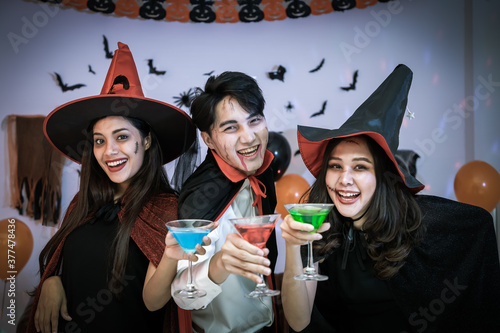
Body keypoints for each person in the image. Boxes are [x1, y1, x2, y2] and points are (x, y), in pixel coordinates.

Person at [280, 64, 500, 333]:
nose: (344, 179)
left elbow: (479, 224)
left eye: (360, 167)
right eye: (335, 166)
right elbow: (298, 320)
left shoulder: (417, 220)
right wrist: (293, 247)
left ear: (382, 177)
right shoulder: (320, 225)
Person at [26, 42, 197, 333]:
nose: (109, 152)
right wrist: (53, 281)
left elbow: (155, 301)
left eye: (121, 136)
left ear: (144, 141)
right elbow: (68, 267)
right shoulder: (84, 203)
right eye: (99, 141)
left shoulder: (166, 208)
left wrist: (170, 254)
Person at [145, 71, 280, 333]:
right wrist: (219, 264)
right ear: (208, 140)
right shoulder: (201, 197)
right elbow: (184, 296)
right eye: (231, 127)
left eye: (254, 121)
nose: (249, 137)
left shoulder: (261, 174)